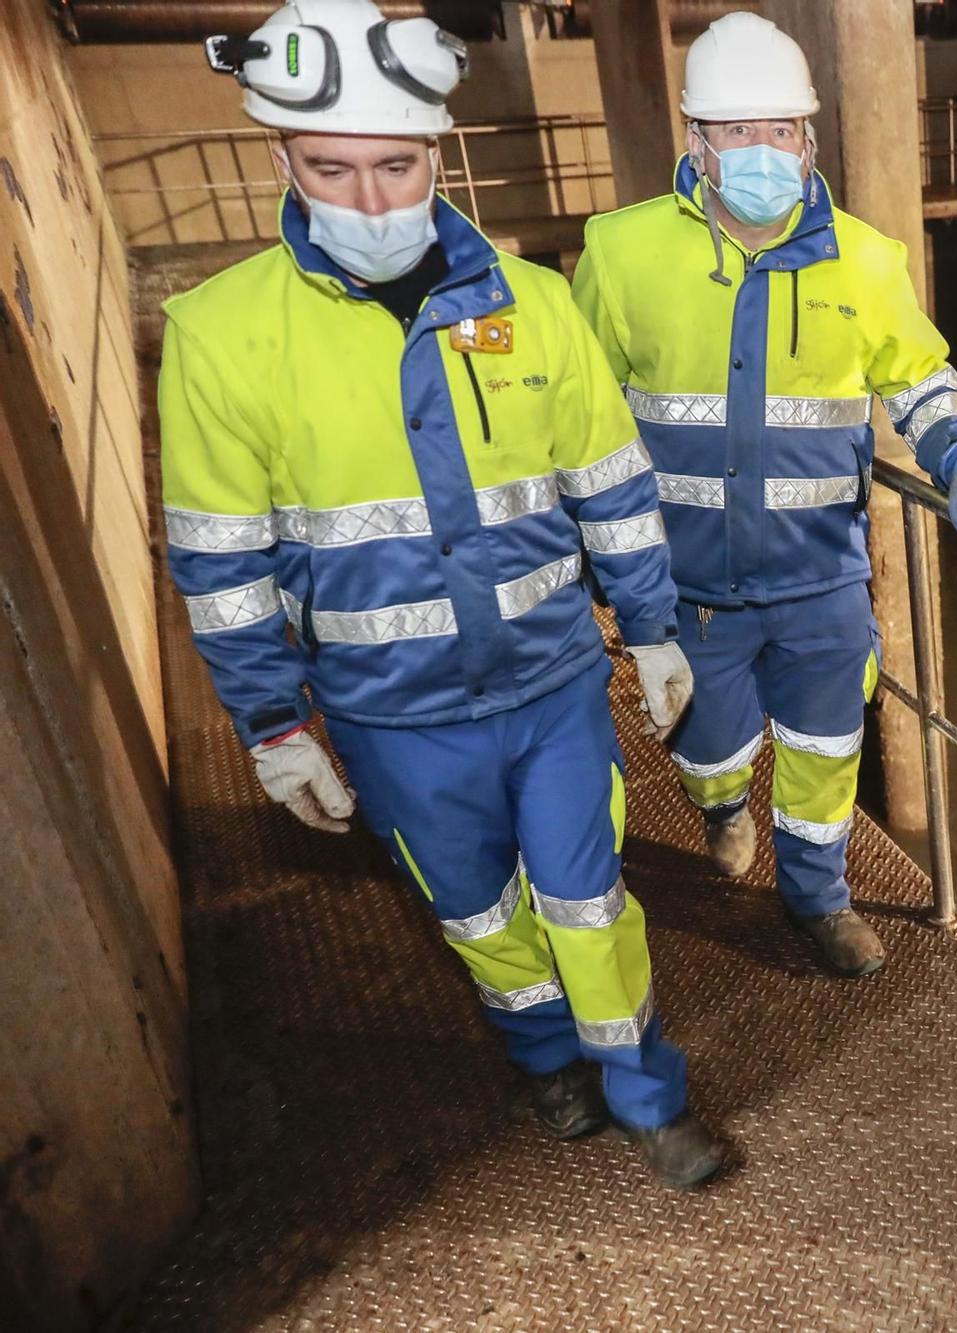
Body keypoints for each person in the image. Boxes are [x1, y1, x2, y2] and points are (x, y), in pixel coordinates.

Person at [165, 0, 720, 1187]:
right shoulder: (220, 337)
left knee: (588, 898)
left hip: (553, 685)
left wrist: (656, 629)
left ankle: (644, 1087)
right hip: (389, 714)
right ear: (281, 158)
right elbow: (221, 566)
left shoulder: (536, 304)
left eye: (396, 165)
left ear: (437, 154)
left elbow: (611, 485)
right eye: (332, 167)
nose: (370, 201)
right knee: (474, 914)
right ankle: (541, 1056)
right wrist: (272, 726)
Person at [571, 11, 957, 979]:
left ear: (808, 138)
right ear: (696, 142)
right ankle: (721, 808)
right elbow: (580, 415)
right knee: (708, 746)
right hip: (684, 581)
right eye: (737, 133)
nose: (762, 152)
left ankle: (817, 897)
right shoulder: (619, 253)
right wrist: (583, 545)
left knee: (823, 750)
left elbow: (920, 377)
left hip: (820, 578)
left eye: (780, 131)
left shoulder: (866, 259)